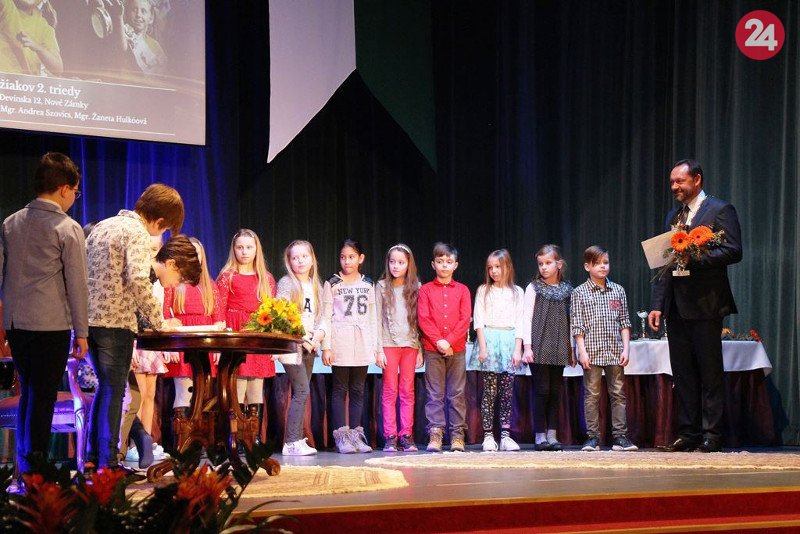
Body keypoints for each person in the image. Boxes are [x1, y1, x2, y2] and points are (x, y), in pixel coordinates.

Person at [85, 183, 199, 469]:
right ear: (159, 221)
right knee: (114, 393)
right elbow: (138, 280)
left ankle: (94, 460)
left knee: (106, 390)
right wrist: (159, 323)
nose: (161, 233)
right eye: (165, 228)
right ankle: (107, 464)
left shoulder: (104, 226)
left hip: (90, 321)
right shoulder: (136, 232)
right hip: (115, 322)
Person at [0, 152, 88, 475]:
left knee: (29, 393)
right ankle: (37, 473)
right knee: (43, 397)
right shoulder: (67, 228)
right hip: (50, 325)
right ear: (65, 189)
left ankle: (25, 467)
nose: (74, 198)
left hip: (16, 324)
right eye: (75, 192)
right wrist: (82, 333)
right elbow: (77, 285)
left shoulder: (11, 222)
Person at [648, 159, 743, 453]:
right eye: (672, 182)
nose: (674, 187)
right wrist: (657, 305)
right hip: (677, 307)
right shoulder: (673, 215)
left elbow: (734, 250)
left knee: (709, 372)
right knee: (683, 373)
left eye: (680, 181)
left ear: (697, 179)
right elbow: (664, 263)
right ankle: (687, 433)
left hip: (706, 304)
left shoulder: (720, 210)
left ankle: (711, 434)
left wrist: (695, 257)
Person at [571, 246, 636, 452]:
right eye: (597, 263)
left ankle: (620, 437)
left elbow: (624, 322)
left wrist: (626, 348)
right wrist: (581, 351)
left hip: (614, 351)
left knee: (618, 394)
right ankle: (592, 437)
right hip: (592, 351)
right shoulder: (579, 292)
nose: (603, 266)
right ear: (587, 266)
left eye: (605, 262)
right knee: (592, 395)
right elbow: (577, 326)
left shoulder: (618, 290)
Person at [217, 228, 276, 446]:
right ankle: (236, 436)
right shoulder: (227, 277)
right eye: (240, 247)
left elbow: (271, 312)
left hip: (257, 336)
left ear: (256, 249)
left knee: (256, 387)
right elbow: (219, 309)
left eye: (249, 247)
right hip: (236, 335)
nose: (244, 252)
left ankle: (253, 436)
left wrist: (271, 344)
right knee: (238, 386)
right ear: (233, 249)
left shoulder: (266, 278)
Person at [321, 239, 378, 454]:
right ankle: (342, 437)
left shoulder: (368, 283)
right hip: (340, 339)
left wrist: (375, 346)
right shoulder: (332, 283)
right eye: (343, 257)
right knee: (339, 389)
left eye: (352, 257)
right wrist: (326, 346)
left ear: (360, 258)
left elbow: (372, 317)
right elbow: (326, 316)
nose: (347, 261)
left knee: (357, 390)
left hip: (362, 341)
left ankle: (356, 435)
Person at [163, 237, 225, 424]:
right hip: (182, 343)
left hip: (205, 344)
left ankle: (200, 434)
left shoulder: (210, 285)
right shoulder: (173, 284)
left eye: (196, 253)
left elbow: (219, 319)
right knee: (184, 390)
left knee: (203, 392)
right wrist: (170, 345)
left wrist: (217, 347)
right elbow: (164, 314)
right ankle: (183, 436)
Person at [418, 242, 472, 452]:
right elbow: (423, 318)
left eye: (449, 262)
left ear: (455, 265)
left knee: (456, 394)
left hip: (456, 349)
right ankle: (436, 434)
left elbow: (465, 319)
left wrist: (448, 341)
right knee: (434, 394)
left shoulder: (463, 290)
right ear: (433, 264)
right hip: (433, 350)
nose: (444, 265)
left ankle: (457, 435)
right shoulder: (425, 290)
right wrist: (439, 341)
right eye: (440, 262)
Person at [468, 249, 523, 452]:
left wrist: (517, 349)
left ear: (507, 266)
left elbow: (520, 321)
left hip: (509, 341)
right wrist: (483, 347)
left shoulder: (517, 292)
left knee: (507, 393)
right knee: (490, 392)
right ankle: (489, 435)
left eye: (498, 267)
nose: (494, 271)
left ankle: (506, 436)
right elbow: (478, 320)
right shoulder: (484, 290)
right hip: (489, 340)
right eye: (490, 267)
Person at [521, 244, 574, 451]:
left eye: (548, 263)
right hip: (539, 345)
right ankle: (539, 435)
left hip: (559, 345)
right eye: (541, 264)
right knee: (542, 390)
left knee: (555, 391)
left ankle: (552, 434)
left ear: (559, 264)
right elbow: (526, 318)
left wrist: (571, 349)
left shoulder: (567, 290)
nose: (544, 267)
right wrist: (527, 347)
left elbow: (571, 321)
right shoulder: (533, 288)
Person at [276, 240, 325, 456]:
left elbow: (322, 316)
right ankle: (290, 442)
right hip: (292, 347)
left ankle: (296, 438)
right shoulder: (287, 283)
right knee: (302, 390)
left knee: (301, 392)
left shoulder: (316, 285)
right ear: (289, 261)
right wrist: (302, 337)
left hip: (310, 346)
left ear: (312, 259)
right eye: (295, 258)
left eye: (304, 256)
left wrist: (318, 337)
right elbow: (282, 314)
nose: (300, 261)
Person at [376, 244, 422, 453]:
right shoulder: (381, 287)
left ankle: (406, 435)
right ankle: (390, 436)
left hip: (410, 345)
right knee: (389, 390)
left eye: (401, 262)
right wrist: (378, 349)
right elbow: (377, 320)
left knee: (407, 391)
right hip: (388, 344)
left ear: (408, 265)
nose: (396, 266)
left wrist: (419, 348)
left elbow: (419, 322)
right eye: (392, 262)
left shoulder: (416, 287)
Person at [0, 0, 63, 76]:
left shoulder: (45, 27)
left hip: (26, 82)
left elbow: (58, 69)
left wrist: (37, 48)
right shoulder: (7, 5)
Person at [110, 0, 166, 75]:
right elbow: (123, 49)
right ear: (126, 13)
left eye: (143, 11)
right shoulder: (122, 35)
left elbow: (163, 71)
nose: (138, 15)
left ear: (151, 18)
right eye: (134, 10)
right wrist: (119, 18)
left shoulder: (155, 46)